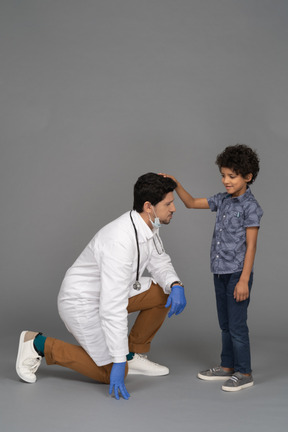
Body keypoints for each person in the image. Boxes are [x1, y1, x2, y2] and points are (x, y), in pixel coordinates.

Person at [16, 172, 186, 400]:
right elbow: (111, 306)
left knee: (162, 291)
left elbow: (159, 260)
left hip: (110, 294)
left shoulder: (148, 226)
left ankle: (132, 354)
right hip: (81, 303)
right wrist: (117, 358)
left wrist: (175, 284)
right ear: (149, 206)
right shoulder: (119, 240)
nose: (174, 208)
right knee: (110, 373)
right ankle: (38, 344)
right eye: (169, 203)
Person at [161, 144, 263, 392]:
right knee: (225, 324)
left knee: (237, 325)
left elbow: (251, 247)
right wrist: (176, 184)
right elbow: (192, 203)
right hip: (219, 272)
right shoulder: (222, 200)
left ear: (247, 177)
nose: (225, 180)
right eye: (223, 175)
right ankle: (227, 366)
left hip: (238, 273)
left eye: (232, 176)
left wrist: (243, 280)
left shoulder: (250, 207)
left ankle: (244, 371)